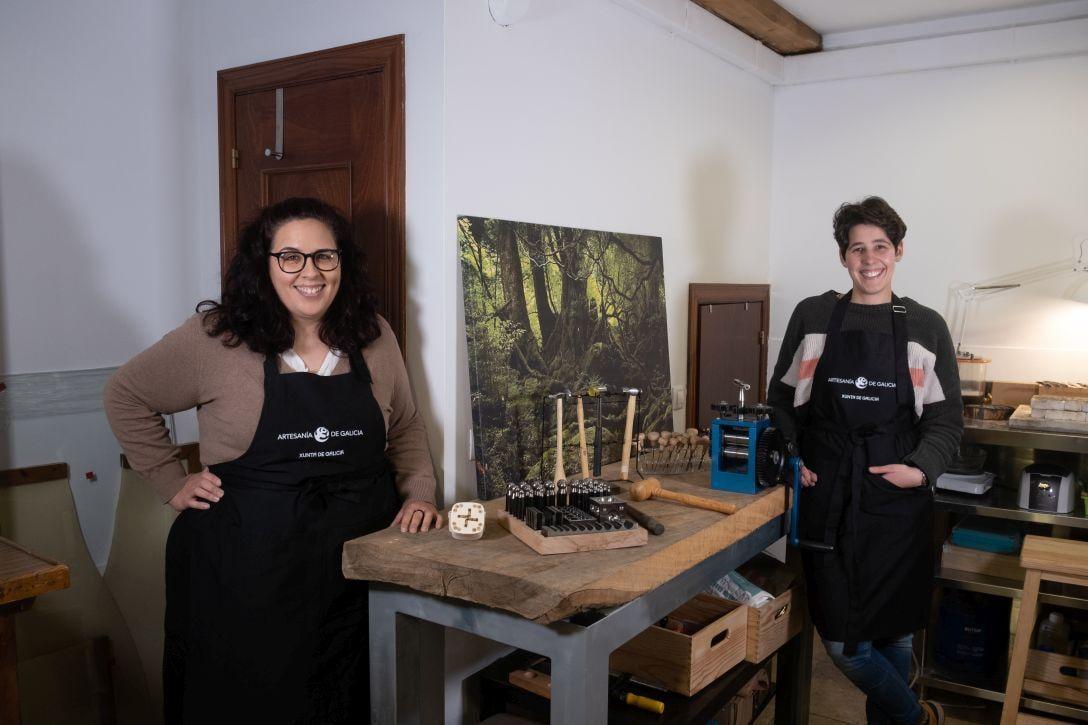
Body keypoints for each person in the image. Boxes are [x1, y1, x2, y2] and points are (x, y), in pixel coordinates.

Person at [104, 197, 442, 724]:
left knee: (351, 700)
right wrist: (169, 480)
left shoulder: (374, 336)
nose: (309, 272)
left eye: (324, 256)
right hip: (248, 576)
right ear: (263, 265)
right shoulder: (217, 339)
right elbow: (125, 394)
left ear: (342, 264)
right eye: (290, 256)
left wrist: (420, 492)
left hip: (355, 571)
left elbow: (405, 424)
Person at [768, 197, 962, 725]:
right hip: (828, 491)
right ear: (842, 256)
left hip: (897, 499)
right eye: (858, 248)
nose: (869, 258)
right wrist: (794, 453)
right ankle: (918, 719)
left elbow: (946, 422)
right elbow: (781, 402)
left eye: (881, 246)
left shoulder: (926, 326)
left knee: (895, 633)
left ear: (899, 251)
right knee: (843, 644)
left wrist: (920, 469)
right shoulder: (813, 315)